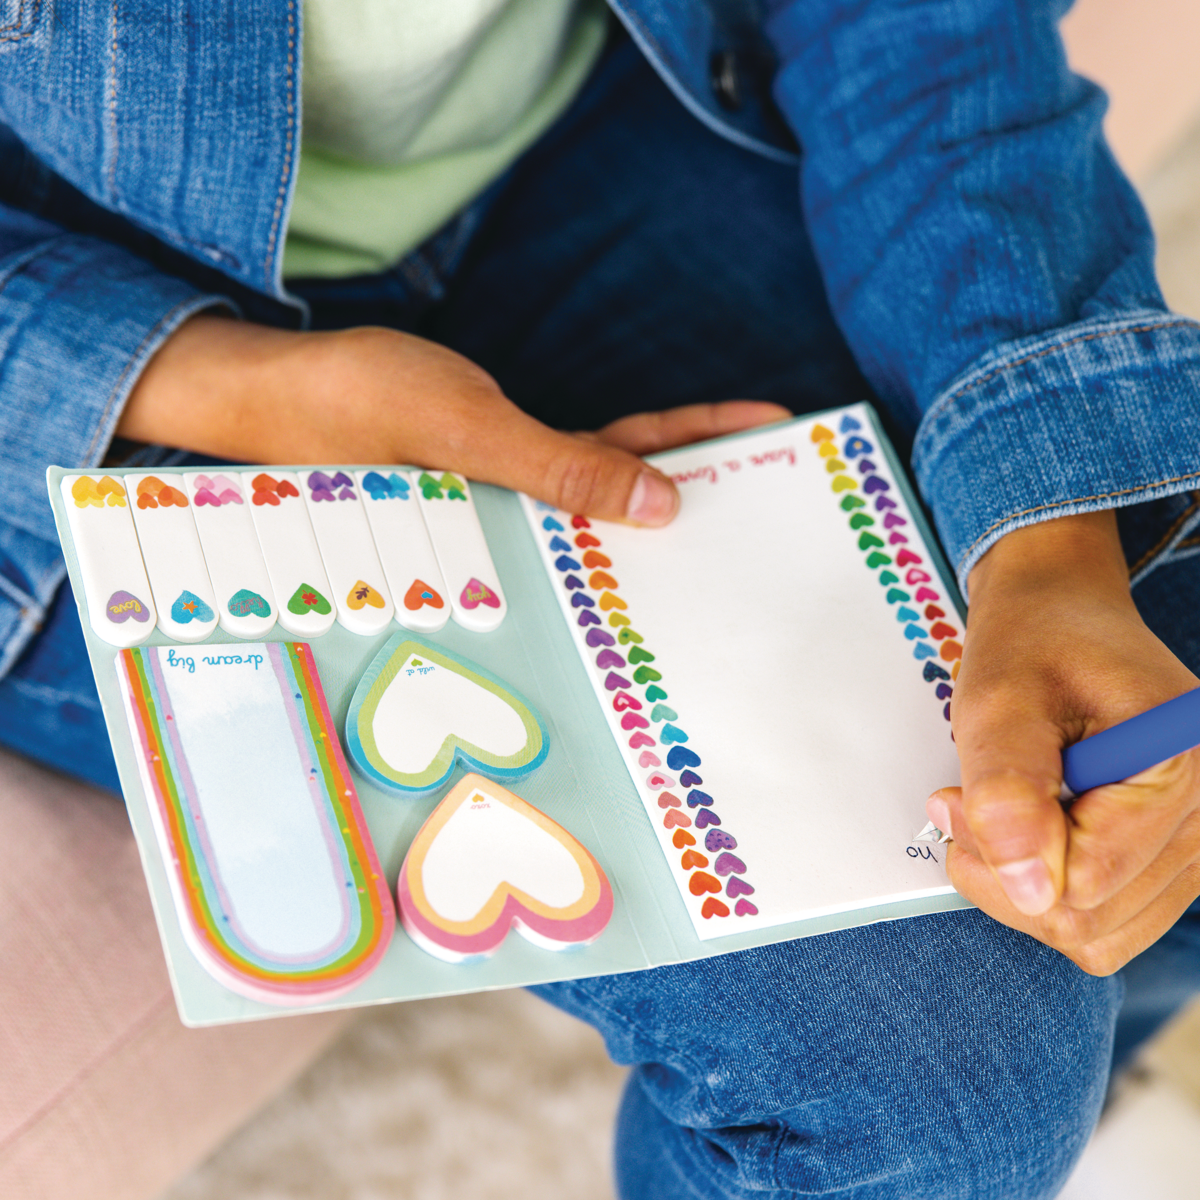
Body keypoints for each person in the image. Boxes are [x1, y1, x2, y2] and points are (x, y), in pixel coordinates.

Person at [1, 1, 1198, 1197]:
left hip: (612, 119)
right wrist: (236, 390)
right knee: (931, 1095)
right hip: (85, 349)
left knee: (1163, 678)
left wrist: (1049, 539)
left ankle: (1092, 1095)